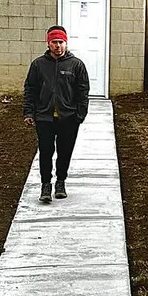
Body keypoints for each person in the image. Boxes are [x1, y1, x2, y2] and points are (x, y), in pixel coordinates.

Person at [22, 25, 90, 203]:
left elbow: (83, 92)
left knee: (64, 151)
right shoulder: (38, 65)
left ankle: (60, 182)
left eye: (61, 42)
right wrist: (29, 112)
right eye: (54, 42)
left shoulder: (76, 65)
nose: (58, 46)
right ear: (48, 43)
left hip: (68, 118)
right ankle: (46, 185)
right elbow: (30, 89)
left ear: (66, 43)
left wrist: (79, 115)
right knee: (46, 151)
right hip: (44, 117)